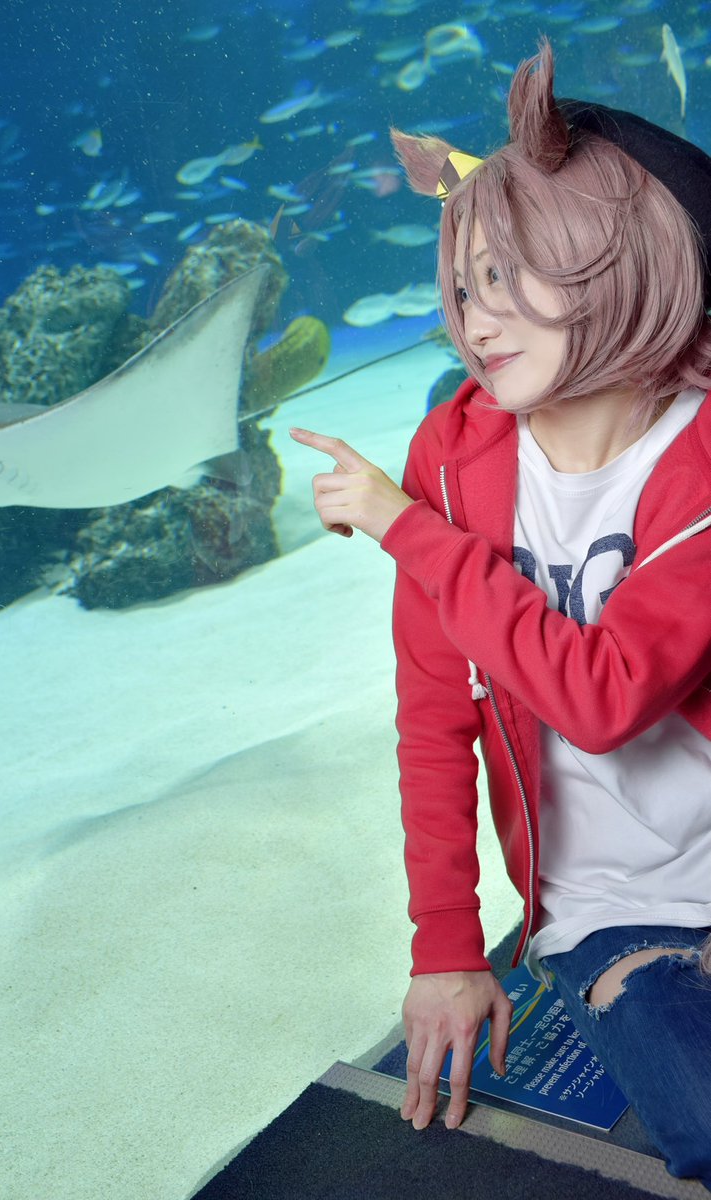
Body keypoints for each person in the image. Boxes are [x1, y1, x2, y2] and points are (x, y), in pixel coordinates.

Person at [290, 38, 711, 1188]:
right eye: (466, 284)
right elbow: (435, 715)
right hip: (610, 906)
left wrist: (401, 529)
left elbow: (604, 695)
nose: (477, 319)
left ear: (620, 258)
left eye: (514, 273)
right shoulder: (450, 458)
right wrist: (443, 945)